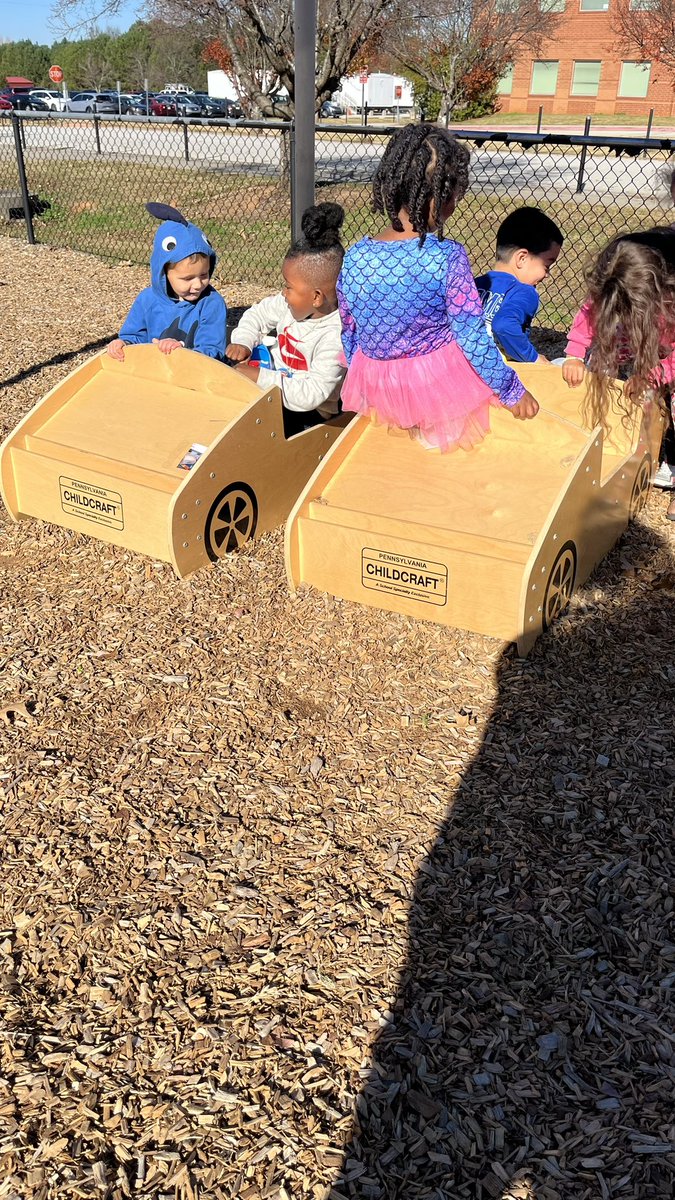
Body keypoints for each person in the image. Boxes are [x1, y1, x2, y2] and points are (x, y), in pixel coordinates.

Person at [336, 124, 539, 453]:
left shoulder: (356, 256)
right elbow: (471, 336)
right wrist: (511, 390)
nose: (455, 203)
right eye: (453, 193)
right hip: (434, 384)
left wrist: (365, 379)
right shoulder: (447, 257)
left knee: (401, 454)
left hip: (376, 382)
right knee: (447, 454)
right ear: (439, 196)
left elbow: (349, 329)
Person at [561, 227, 675, 520]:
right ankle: (603, 438)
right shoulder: (612, 286)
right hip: (640, 342)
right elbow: (587, 317)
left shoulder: (669, 303)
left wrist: (652, 375)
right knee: (602, 372)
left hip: (666, 351)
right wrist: (575, 354)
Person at [226, 203, 346, 430]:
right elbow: (258, 315)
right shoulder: (287, 305)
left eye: (289, 287)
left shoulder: (334, 336)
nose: (283, 292)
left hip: (309, 414)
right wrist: (243, 341)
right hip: (273, 386)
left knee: (249, 425)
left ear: (316, 297)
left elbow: (312, 394)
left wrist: (260, 378)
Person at [107, 203, 227, 361]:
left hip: (194, 371)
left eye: (204, 275)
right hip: (154, 369)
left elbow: (212, 350)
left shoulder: (211, 303)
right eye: (188, 278)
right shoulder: (147, 300)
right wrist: (123, 343)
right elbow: (134, 336)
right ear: (164, 273)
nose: (198, 284)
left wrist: (181, 349)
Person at [474, 206, 563, 363]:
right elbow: (504, 325)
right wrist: (533, 359)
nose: (547, 275)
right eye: (547, 266)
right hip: (498, 371)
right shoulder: (524, 292)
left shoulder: (474, 284)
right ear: (522, 258)